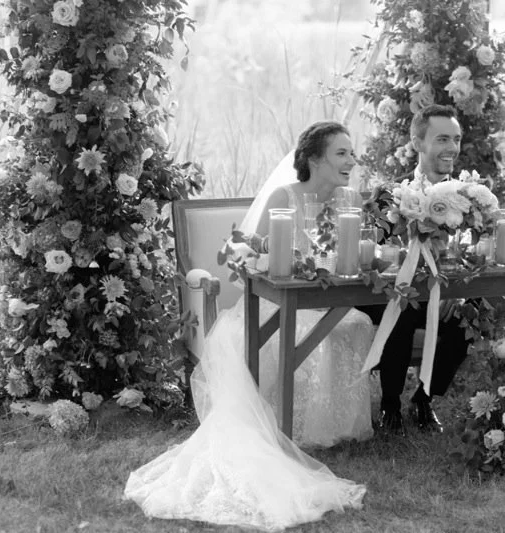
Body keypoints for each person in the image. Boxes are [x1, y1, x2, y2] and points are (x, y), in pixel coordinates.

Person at [124, 121, 374, 531]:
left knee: (358, 323)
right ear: (314, 159)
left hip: (328, 300)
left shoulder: (352, 200)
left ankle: (333, 426)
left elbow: (350, 260)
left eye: (352, 152)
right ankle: (286, 428)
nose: (352, 160)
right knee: (294, 333)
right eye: (341, 153)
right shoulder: (284, 197)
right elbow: (249, 260)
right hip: (273, 302)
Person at [358, 104, 473, 436]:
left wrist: (459, 292)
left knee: (467, 313)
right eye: (441, 139)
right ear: (418, 142)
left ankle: (424, 398)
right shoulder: (389, 196)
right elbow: (372, 253)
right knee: (404, 306)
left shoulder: (468, 200)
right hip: (392, 294)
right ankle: (390, 403)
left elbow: (475, 255)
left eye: (456, 139)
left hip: (442, 292)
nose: (451, 147)